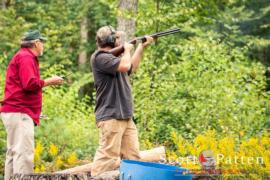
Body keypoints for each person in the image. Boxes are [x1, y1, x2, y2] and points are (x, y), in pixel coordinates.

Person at [90, 25, 154, 176]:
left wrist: (140, 47)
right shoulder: (100, 57)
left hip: (125, 115)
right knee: (107, 158)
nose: (119, 40)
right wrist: (126, 50)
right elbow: (125, 65)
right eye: (117, 38)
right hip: (111, 116)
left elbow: (132, 67)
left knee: (134, 158)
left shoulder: (115, 58)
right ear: (110, 40)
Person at [0, 30, 64, 180]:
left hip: (17, 111)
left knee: (14, 153)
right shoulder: (26, 57)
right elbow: (29, 84)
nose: (43, 46)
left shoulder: (22, 56)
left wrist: (34, 111)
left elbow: (22, 88)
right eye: (42, 42)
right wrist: (50, 81)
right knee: (24, 154)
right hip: (20, 112)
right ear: (36, 43)